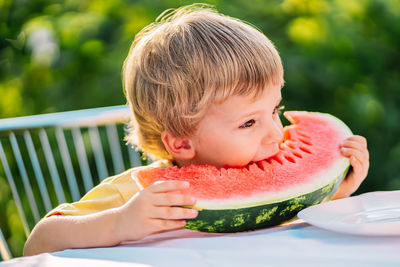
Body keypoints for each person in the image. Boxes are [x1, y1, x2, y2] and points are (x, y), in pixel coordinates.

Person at [23, 4, 369, 256]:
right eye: (248, 122)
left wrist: (332, 194)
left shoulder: (275, 185)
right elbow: (38, 243)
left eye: (275, 110)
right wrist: (118, 223)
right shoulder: (136, 194)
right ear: (181, 142)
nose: (275, 134)